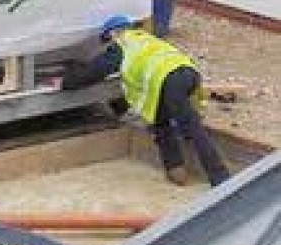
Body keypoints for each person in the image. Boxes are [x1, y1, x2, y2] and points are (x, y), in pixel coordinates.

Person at [61, 15, 229, 186]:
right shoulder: (149, 39)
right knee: (161, 119)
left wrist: (66, 80)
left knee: (192, 129)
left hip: (169, 81)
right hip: (188, 74)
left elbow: (93, 72)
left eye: (107, 41)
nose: (107, 46)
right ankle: (175, 169)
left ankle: (221, 179)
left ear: (113, 33)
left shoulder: (123, 46)